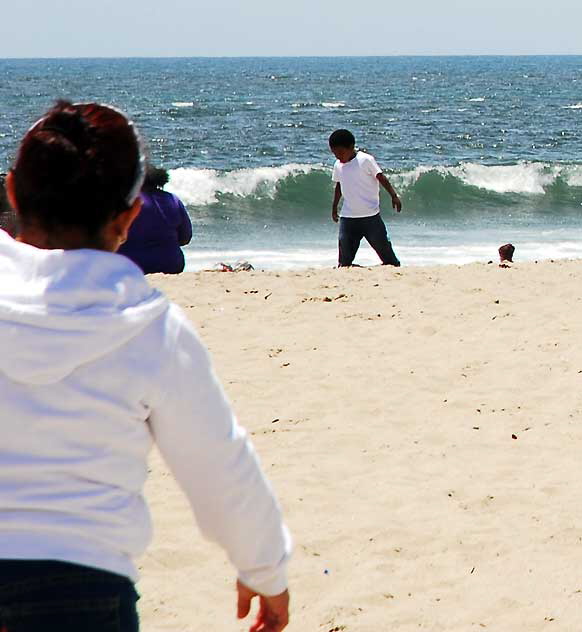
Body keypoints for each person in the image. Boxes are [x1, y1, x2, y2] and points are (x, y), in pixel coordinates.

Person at [0, 101, 290, 632]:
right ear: (130, 216)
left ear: (13, 192)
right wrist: (265, 569)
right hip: (84, 587)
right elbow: (219, 464)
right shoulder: (149, 326)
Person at [329, 129, 402, 267]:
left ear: (351, 147)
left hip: (371, 218)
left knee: (390, 261)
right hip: (348, 218)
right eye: (335, 154)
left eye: (340, 153)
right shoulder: (338, 165)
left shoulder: (365, 160)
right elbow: (339, 186)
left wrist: (394, 196)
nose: (338, 157)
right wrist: (334, 207)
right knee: (344, 263)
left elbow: (381, 177)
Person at [117, 165, 192, 274]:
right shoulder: (172, 200)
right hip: (170, 265)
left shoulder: (124, 202)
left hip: (129, 265)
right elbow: (185, 238)